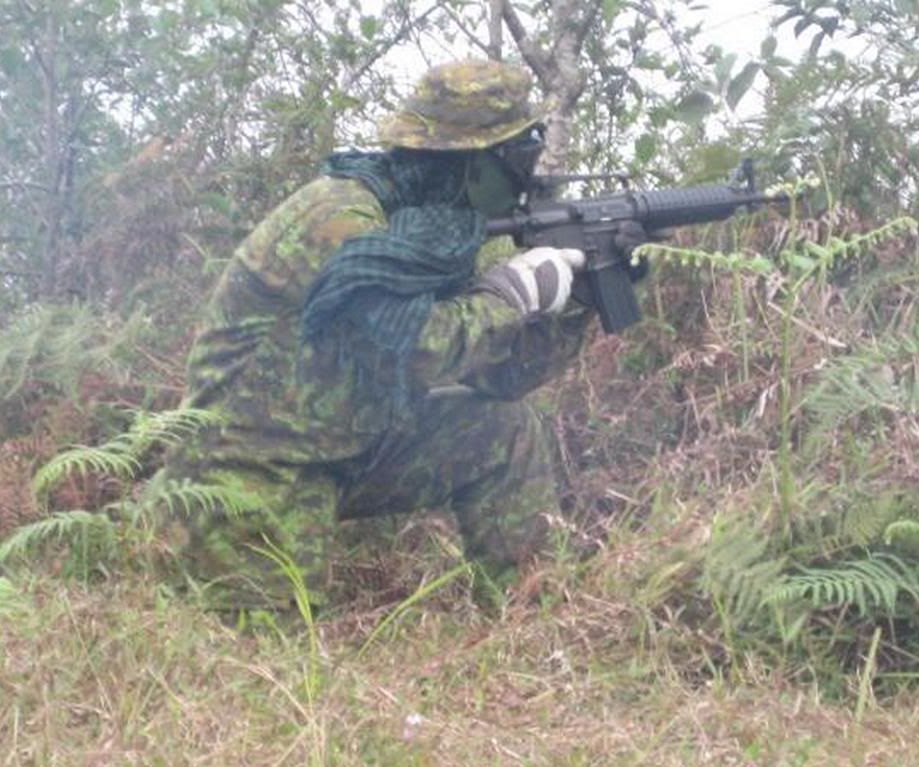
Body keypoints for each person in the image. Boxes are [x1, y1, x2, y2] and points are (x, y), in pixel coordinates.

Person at [158, 59, 595, 610]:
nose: (527, 174)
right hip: (247, 467)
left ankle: (532, 613)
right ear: (469, 161)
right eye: (518, 156)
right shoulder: (340, 220)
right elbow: (416, 349)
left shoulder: (430, 232)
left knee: (500, 429)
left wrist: (576, 303)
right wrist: (509, 296)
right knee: (266, 656)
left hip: (342, 444)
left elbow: (497, 376)